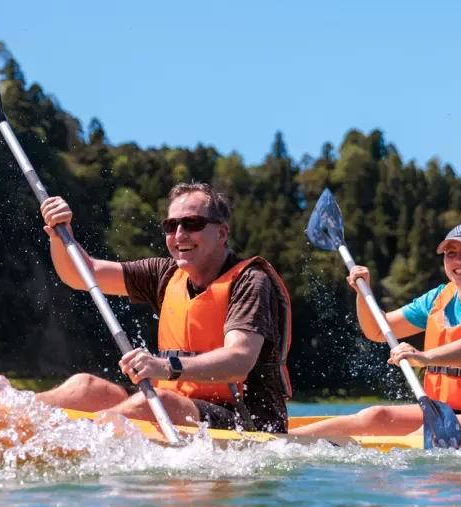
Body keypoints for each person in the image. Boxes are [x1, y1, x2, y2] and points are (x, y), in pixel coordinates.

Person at [36, 182, 293, 434]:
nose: (180, 234)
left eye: (193, 224)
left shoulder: (250, 280)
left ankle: (71, 442)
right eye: (171, 226)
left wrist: (166, 367)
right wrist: (60, 234)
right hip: (176, 405)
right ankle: (13, 421)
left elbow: (239, 360)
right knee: (86, 387)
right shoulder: (165, 274)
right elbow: (83, 274)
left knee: (155, 402)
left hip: (248, 421)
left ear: (221, 234)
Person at [292, 223, 461, 438]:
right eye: (450, 253)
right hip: (448, 411)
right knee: (376, 415)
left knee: (428, 432)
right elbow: (378, 331)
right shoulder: (437, 300)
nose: (458, 260)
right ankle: (278, 439)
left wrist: (423, 357)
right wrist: (362, 292)